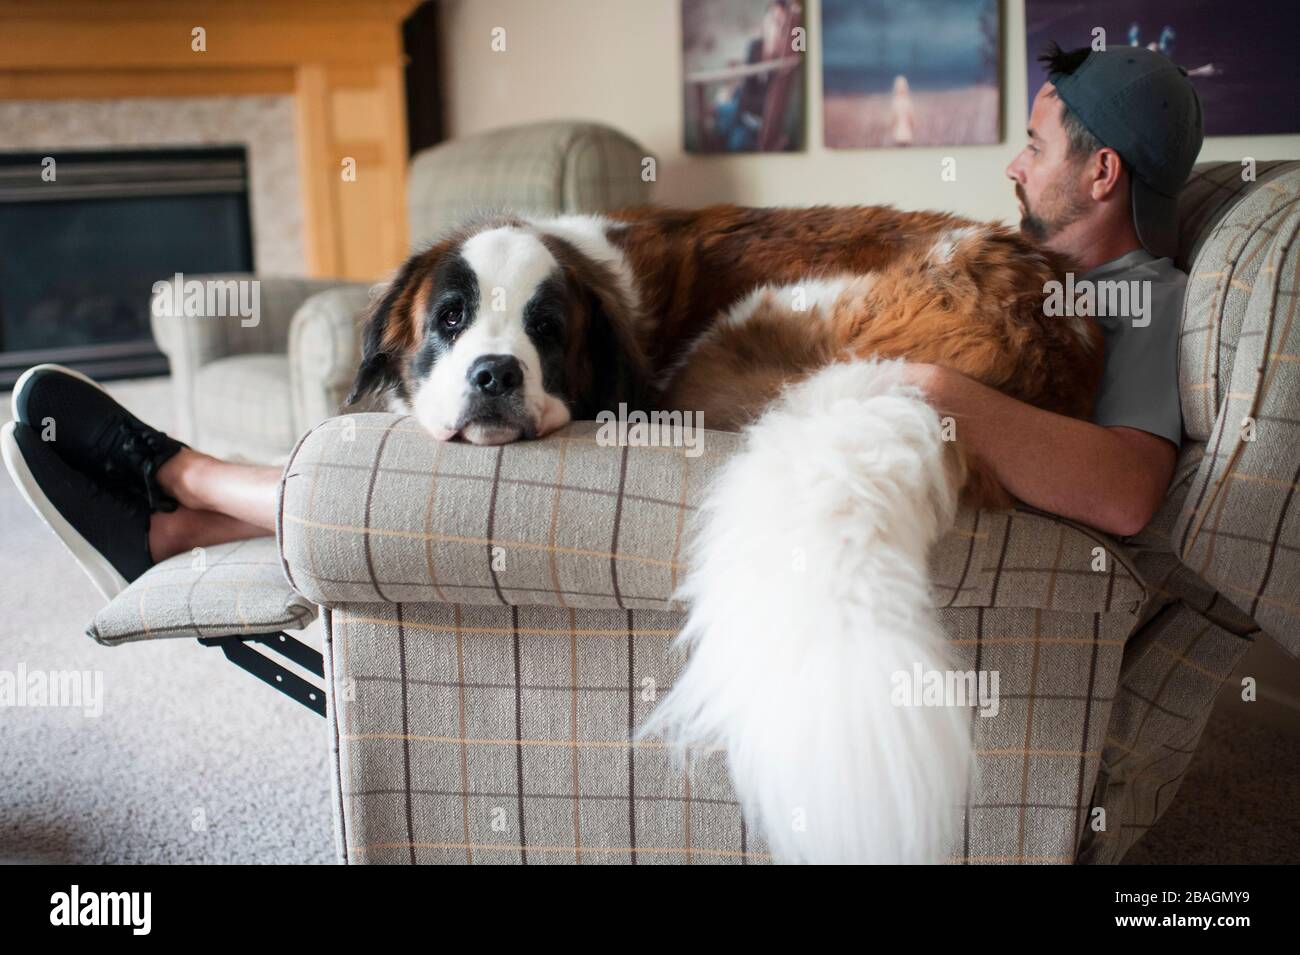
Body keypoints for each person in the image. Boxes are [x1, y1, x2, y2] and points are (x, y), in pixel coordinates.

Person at [2, 43, 1203, 600]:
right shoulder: (1019, 275)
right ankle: (185, 532)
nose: (1010, 162)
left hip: (871, 429)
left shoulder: (1132, 293)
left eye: (1035, 145)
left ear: (1103, 178)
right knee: (499, 433)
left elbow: (1126, 493)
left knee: (522, 448)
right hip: (832, 369)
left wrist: (925, 391)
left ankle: (189, 485)